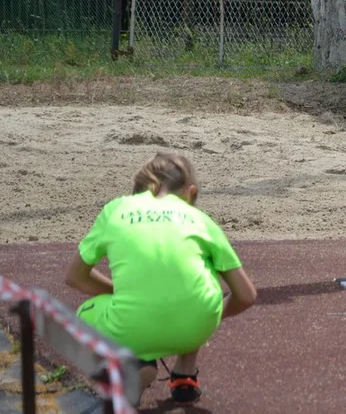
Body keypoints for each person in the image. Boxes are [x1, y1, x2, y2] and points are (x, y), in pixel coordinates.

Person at [65, 153, 257, 405]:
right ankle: (185, 375)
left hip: (130, 327)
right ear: (191, 191)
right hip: (195, 327)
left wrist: (117, 291)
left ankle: (135, 363)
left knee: (83, 315)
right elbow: (246, 295)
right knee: (195, 280)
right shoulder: (202, 220)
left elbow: (75, 277)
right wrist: (210, 312)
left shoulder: (117, 209)